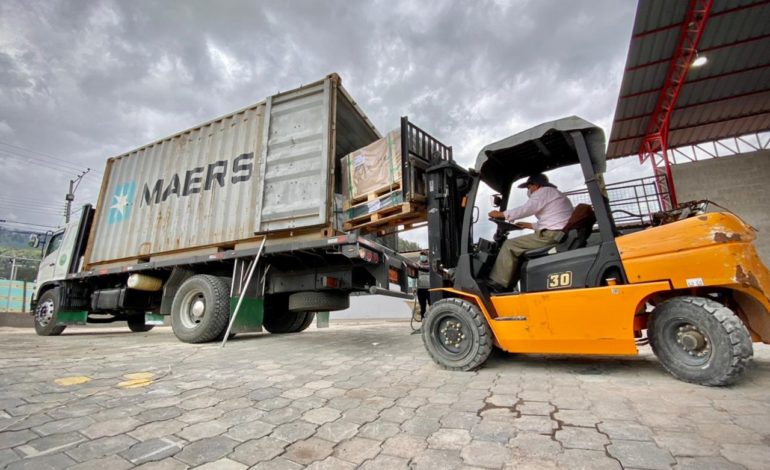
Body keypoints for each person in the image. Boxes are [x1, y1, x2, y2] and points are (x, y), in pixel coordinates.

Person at [487, 173, 573, 291]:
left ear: (535, 185)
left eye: (528, 187)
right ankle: (509, 285)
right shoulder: (555, 194)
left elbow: (527, 208)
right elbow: (552, 220)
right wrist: (529, 225)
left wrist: (501, 214)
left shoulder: (543, 192)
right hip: (557, 233)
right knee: (520, 252)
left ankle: (497, 284)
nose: (528, 190)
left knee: (509, 245)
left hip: (551, 235)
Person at [416, 250, 431, 319]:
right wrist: (413, 287)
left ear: (427, 256)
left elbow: (428, 269)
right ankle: (423, 319)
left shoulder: (430, 264)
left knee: (432, 304)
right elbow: (414, 276)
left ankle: (431, 319)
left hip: (430, 288)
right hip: (421, 288)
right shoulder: (417, 264)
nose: (422, 256)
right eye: (421, 255)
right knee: (422, 306)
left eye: (424, 255)